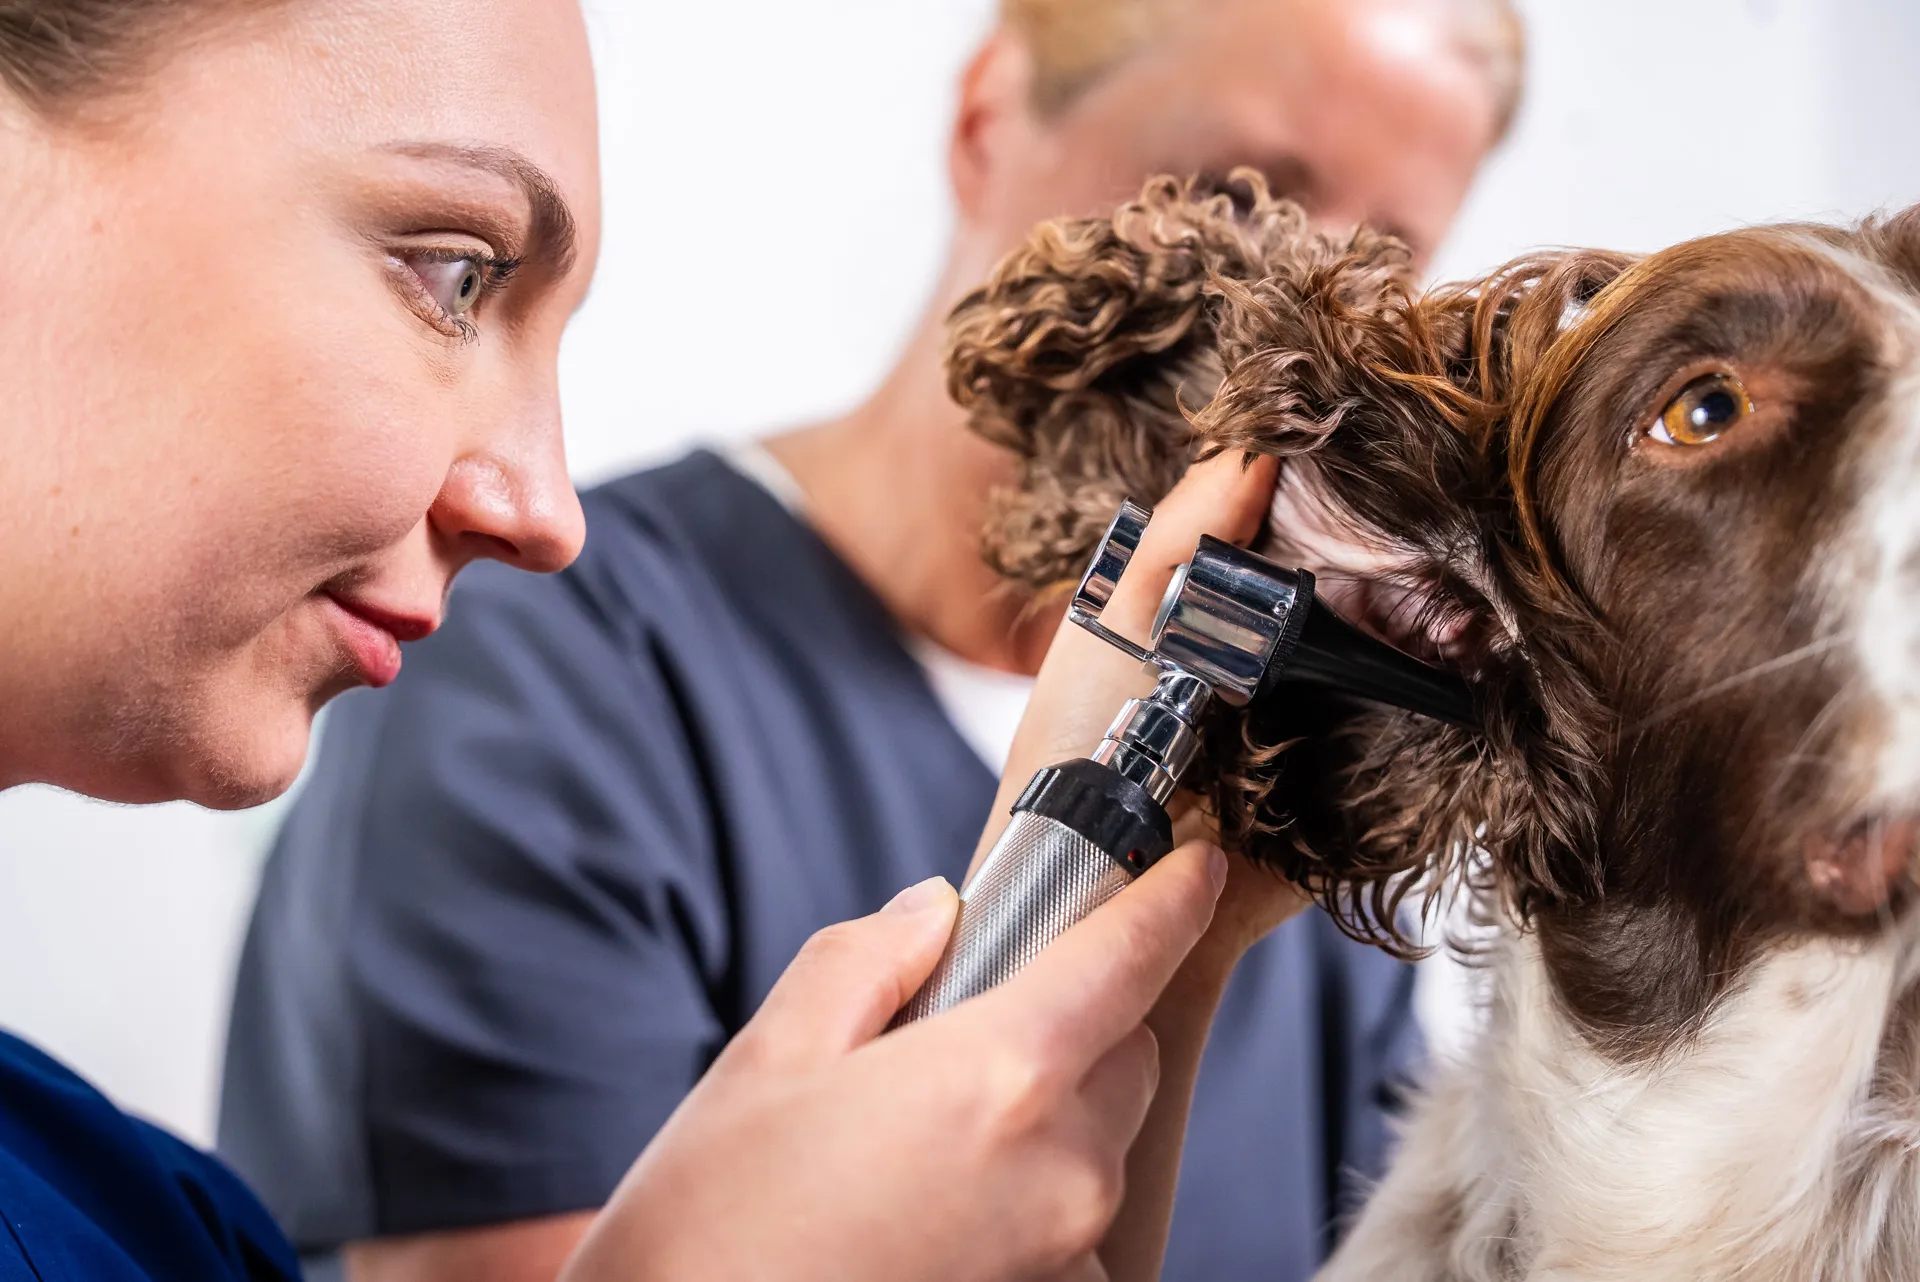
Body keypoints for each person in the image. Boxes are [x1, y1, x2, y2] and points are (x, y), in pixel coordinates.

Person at [217, 0, 1525, 1279]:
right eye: (1246, 194)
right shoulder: (555, 665)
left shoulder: (1290, 787)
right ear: (984, 122)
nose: (1310, 308)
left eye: (1389, 255)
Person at [0, 0, 1271, 1278]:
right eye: (454, 276)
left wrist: (1164, 921)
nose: (546, 513)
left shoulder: (139, 1215)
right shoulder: (578, 679)